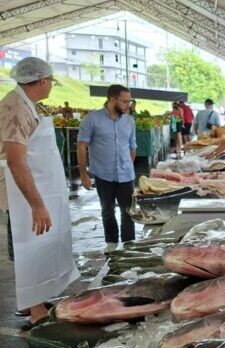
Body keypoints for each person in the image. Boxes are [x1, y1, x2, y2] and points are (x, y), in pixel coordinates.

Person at [0, 57, 79, 325]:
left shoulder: (25, 104)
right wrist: (36, 204)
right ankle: (34, 309)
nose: (51, 85)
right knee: (28, 246)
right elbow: (15, 160)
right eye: (51, 81)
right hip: (19, 194)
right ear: (43, 80)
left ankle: (35, 298)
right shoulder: (15, 109)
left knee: (42, 243)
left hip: (38, 188)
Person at [77, 84, 137, 254]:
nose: (128, 105)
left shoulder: (129, 122)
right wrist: (84, 174)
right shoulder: (92, 119)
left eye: (129, 101)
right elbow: (82, 146)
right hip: (103, 174)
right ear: (112, 99)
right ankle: (111, 244)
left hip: (126, 175)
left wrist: (128, 166)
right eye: (125, 102)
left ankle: (129, 246)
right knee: (107, 210)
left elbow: (132, 148)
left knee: (128, 212)